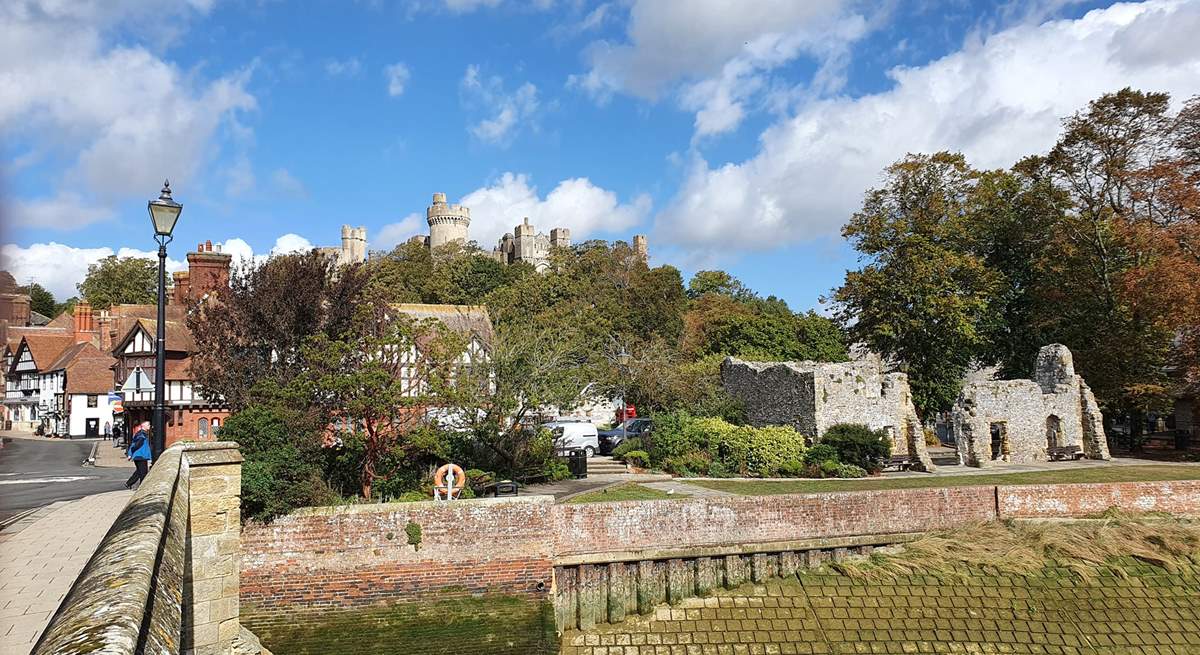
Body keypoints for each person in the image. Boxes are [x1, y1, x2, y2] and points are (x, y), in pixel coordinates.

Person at [126, 421, 152, 489]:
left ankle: (129, 483)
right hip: (141, 456)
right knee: (143, 473)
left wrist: (130, 454)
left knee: (139, 472)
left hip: (139, 456)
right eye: (148, 425)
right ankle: (142, 488)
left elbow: (133, 444)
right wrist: (131, 452)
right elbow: (135, 445)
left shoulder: (140, 433)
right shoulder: (142, 435)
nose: (150, 426)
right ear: (143, 426)